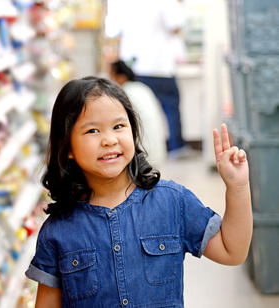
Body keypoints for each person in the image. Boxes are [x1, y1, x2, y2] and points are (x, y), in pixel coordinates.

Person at [25, 77, 252, 307]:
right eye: (92, 130)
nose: (109, 140)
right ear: (68, 147)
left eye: (118, 126)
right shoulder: (57, 231)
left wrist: (238, 187)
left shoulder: (171, 202)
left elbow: (232, 251)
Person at [109, 0, 191, 159]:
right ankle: (177, 147)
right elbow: (176, 26)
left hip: (133, 66)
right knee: (170, 107)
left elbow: (114, 32)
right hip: (159, 65)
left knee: (135, 110)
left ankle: (136, 151)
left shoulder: (123, 4)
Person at [109, 60, 167, 167]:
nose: (110, 80)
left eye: (111, 75)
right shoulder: (142, 88)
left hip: (140, 155)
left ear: (121, 77)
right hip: (157, 152)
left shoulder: (124, 94)